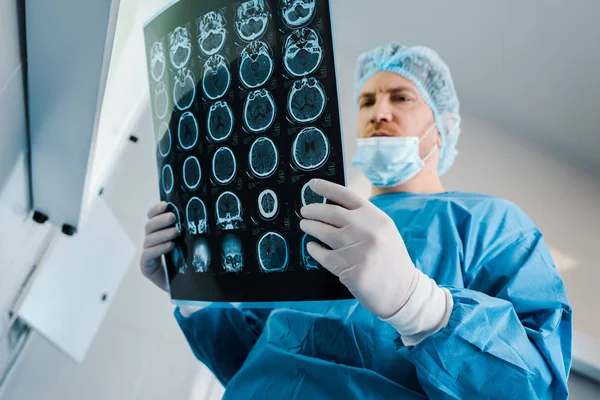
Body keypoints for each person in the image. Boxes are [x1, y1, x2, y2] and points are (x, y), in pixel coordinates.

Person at [140, 43, 572, 399]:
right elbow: (247, 361)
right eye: (366, 101)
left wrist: (419, 306)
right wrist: (192, 288)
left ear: (442, 127)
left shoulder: (490, 224)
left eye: (401, 97)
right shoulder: (313, 224)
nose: (378, 112)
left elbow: (532, 387)